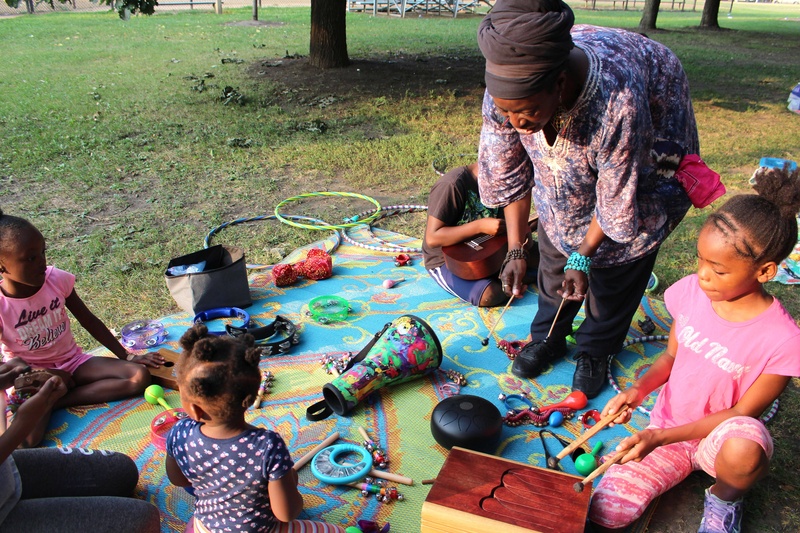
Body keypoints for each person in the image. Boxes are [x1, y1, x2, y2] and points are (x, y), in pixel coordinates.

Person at [475, 0, 698, 398]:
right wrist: (515, 249)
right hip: (577, 126)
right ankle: (548, 337)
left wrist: (584, 255)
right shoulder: (504, 96)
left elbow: (616, 198)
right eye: (507, 113)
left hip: (643, 129)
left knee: (618, 260)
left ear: (559, 83)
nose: (516, 123)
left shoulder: (619, 101)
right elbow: (510, 175)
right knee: (556, 238)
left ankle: (596, 348)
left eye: (525, 112)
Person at [588, 164, 800, 533]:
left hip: (717, 440)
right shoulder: (692, 292)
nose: (703, 275)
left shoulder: (783, 340)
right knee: (606, 512)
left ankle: (725, 498)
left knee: (746, 446)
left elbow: (741, 412)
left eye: (718, 270)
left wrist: (658, 438)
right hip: (669, 429)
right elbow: (671, 357)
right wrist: (638, 392)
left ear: (765, 272)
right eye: (701, 260)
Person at [0, 208, 165, 447]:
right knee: (27, 442)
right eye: (31, 258)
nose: (42, 263)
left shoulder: (55, 280)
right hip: (33, 377)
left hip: (73, 362)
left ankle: (55, 400)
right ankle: (49, 393)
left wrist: (127, 356)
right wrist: (36, 380)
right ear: (2, 267)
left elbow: (88, 320)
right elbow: (9, 369)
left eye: (43, 253)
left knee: (138, 377)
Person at [165, 324, 346, 533]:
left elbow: (178, 479)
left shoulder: (180, 432)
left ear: (195, 410)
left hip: (205, 527)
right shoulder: (267, 446)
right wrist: (290, 485)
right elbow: (286, 514)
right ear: (250, 399)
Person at [0, 360, 161, 532]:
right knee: (144, 520)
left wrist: (8, 378)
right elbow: (23, 439)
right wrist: (23, 423)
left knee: (122, 470)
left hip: (7, 469)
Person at [423, 162, 538, 307]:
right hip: (447, 261)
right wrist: (479, 226)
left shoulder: (506, 186)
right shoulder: (452, 185)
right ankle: (514, 279)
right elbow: (433, 238)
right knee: (489, 294)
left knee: (553, 261)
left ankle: (510, 277)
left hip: (491, 251)